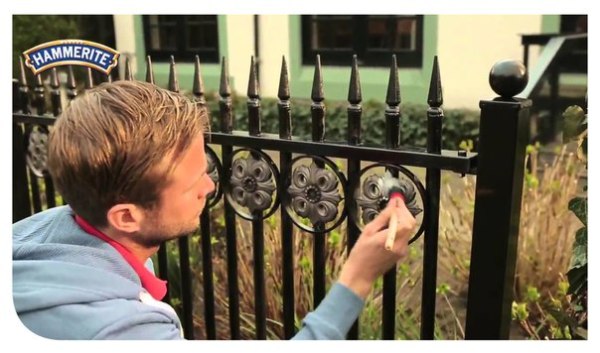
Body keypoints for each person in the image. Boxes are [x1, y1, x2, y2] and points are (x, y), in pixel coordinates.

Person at [13, 80, 416, 340]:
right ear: (127, 216)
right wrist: (358, 277)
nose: (210, 185)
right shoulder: (120, 335)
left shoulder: (42, 234)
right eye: (193, 183)